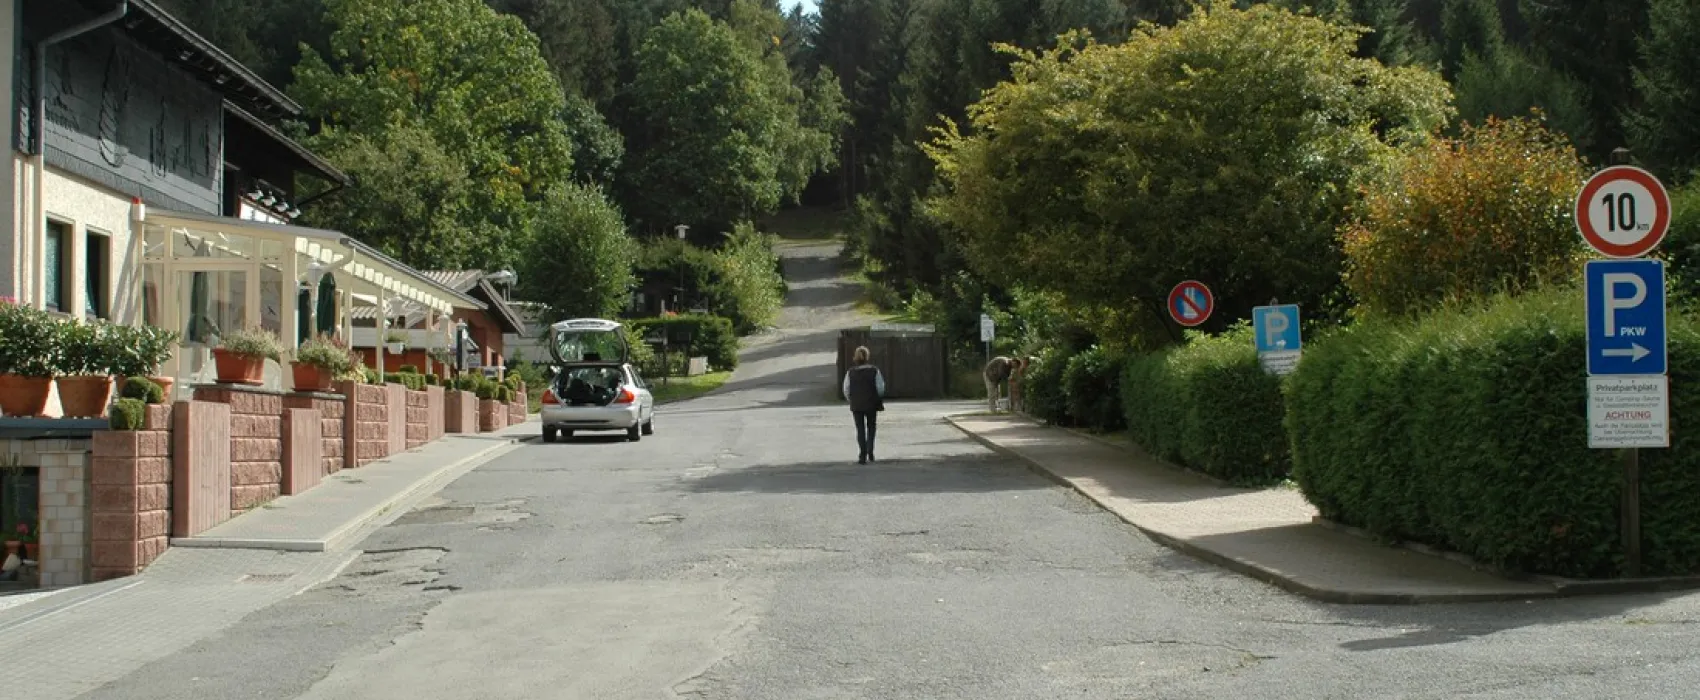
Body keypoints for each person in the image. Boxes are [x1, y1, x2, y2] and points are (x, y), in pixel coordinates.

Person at [842, 346, 887, 464]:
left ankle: (862, 454)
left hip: (857, 404)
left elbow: (846, 389)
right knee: (871, 427)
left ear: (855, 358)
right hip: (871, 403)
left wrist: (851, 399)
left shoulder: (850, 372)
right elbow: (880, 387)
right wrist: (878, 397)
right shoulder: (874, 370)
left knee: (860, 429)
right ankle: (870, 450)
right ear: (867, 357)